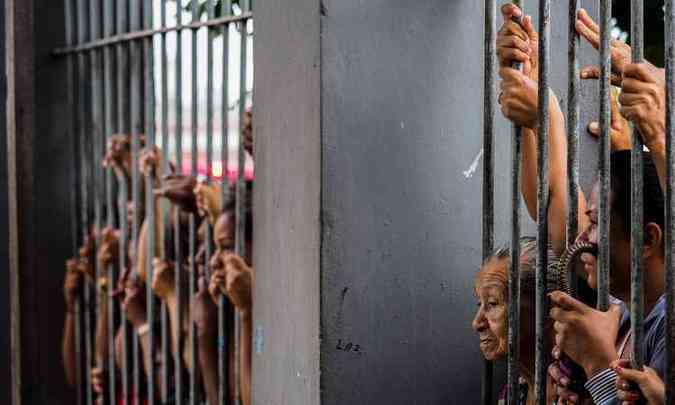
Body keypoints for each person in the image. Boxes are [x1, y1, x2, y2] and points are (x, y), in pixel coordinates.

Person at [497, 4, 668, 404]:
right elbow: (554, 198)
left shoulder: (662, 323)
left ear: (647, 238)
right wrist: (539, 112)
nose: (583, 237)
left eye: (596, 223)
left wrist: (598, 363)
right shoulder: (619, 310)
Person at [473, 238, 564, 405]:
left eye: (492, 303)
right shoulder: (512, 394)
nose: (477, 323)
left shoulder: (576, 392)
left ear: (548, 308)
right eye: (480, 304)